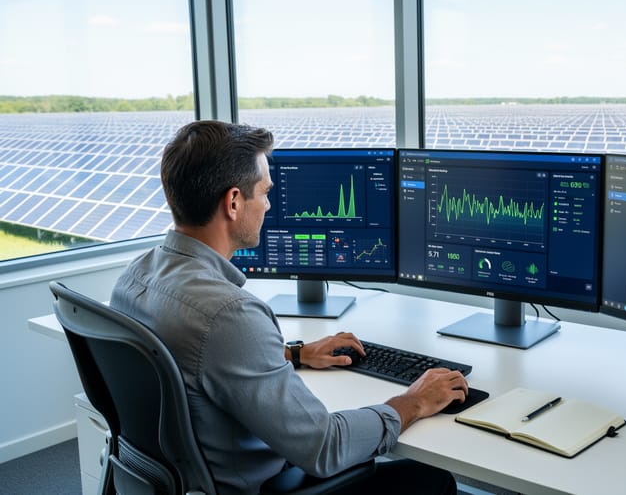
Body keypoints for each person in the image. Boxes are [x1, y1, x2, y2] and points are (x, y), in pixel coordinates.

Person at [110, 120, 469, 495]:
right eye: (265, 192)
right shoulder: (228, 314)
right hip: (260, 485)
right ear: (233, 202)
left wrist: (294, 353)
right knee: (432, 479)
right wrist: (412, 401)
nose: (268, 204)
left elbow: (190, 361)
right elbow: (325, 447)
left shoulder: (134, 277)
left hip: (176, 480)